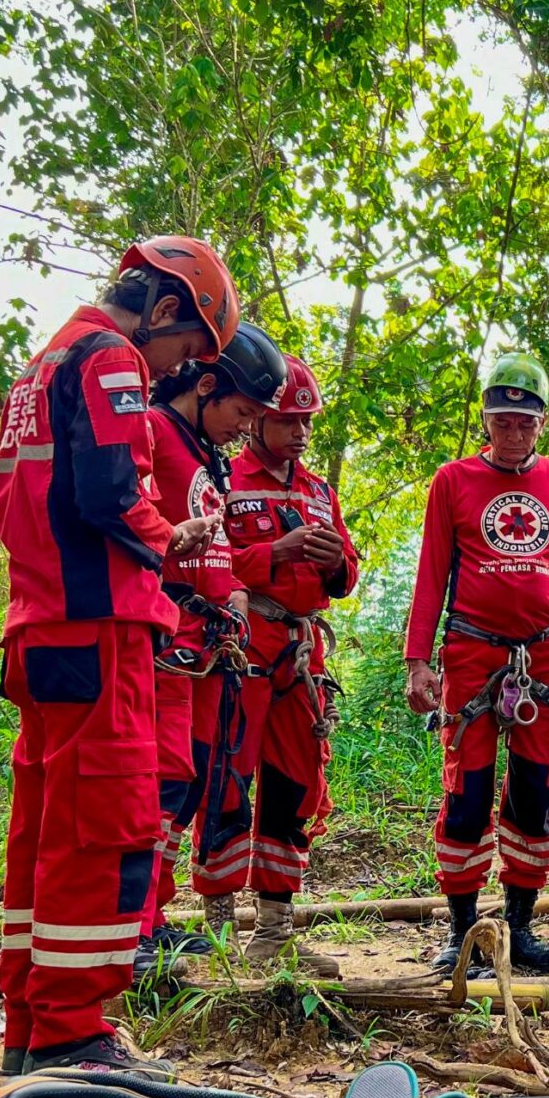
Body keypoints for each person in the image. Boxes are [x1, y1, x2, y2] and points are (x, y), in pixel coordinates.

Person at [0, 235, 239, 1075]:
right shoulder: (107, 358)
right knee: (107, 827)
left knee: (44, 826)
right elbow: (111, 494)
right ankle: (72, 1032)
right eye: (186, 352)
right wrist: (171, 537)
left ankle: (29, 1020)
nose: (176, 373)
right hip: (100, 630)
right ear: (164, 310)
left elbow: (8, 500)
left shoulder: (39, 368)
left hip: (41, 626)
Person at [404, 353, 549, 976]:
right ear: (486, 420)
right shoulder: (453, 481)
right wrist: (418, 660)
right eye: (503, 418)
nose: (514, 429)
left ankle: (518, 927)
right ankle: (464, 932)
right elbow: (432, 572)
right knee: (465, 794)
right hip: (471, 656)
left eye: (526, 420)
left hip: (545, 657)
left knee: (533, 794)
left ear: (541, 423)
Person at [192, 354, 357, 975]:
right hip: (242, 645)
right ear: (260, 420)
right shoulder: (224, 479)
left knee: (294, 785)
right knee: (226, 778)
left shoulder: (319, 492)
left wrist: (337, 562)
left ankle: (276, 926)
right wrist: (271, 554)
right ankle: (215, 928)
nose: (300, 434)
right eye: (289, 421)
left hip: (302, 655)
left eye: (307, 424)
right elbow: (200, 561)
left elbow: (345, 578)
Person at [138, 323, 289, 980]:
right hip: (167, 641)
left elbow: (215, 546)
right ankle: (135, 924)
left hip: (209, 647)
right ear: (205, 386)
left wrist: (227, 601)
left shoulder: (203, 451)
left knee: (192, 780)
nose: (245, 427)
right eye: (243, 412)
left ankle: (156, 915)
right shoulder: (150, 432)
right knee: (160, 782)